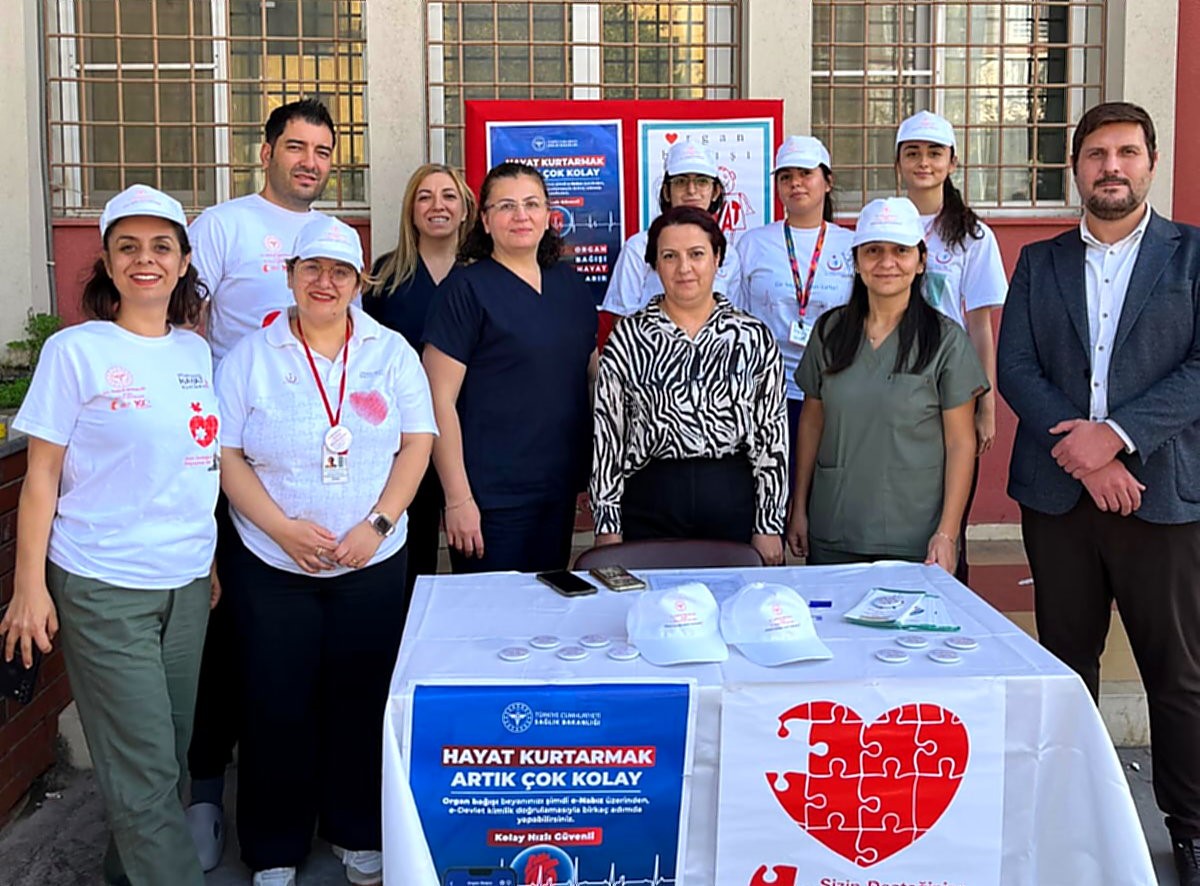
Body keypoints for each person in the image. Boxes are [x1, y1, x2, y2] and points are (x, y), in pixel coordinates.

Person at [996, 101, 1200, 885]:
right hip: (1060, 500)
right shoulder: (1041, 263)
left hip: (1163, 495)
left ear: (1150, 162)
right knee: (1067, 667)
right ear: (1075, 168)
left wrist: (1116, 437)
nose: (1110, 167)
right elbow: (1017, 366)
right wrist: (1085, 455)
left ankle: (1188, 830)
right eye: (1096, 155)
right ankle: (1071, 824)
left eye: (1126, 153)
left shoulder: (1190, 256)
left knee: (1177, 675)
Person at [0, 185, 218, 886]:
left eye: (161, 247)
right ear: (107, 261)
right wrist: (27, 588)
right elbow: (40, 479)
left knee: (166, 760)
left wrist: (206, 559)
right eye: (129, 247)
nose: (145, 260)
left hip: (184, 584)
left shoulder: (195, 352)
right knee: (146, 768)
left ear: (184, 262)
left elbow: (193, 464)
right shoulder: (76, 352)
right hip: (102, 584)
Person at [216, 216, 436, 886]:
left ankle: (356, 831)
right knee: (274, 702)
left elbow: (418, 442)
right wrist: (281, 528)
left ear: (358, 283)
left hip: (369, 558)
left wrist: (376, 522)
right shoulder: (250, 358)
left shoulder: (389, 351)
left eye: (340, 272)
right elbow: (223, 454)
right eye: (312, 269)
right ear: (290, 276)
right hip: (272, 562)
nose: (325, 282)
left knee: (360, 698)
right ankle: (275, 847)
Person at [184, 96, 336, 866]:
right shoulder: (224, 225)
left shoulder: (326, 238)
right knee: (220, 631)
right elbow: (185, 318)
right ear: (268, 150)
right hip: (228, 457)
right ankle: (206, 792)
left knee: (280, 643)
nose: (309, 161)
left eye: (322, 151)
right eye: (296, 146)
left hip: (310, 466)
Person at [786, 197, 986, 570]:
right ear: (857, 261)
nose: (887, 263)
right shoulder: (830, 332)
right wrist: (799, 506)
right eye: (873, 251)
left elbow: (960, 442)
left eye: (901, 251)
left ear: (921, 260)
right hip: (836, 528)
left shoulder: (945, 341)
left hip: (916, 537)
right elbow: (812, 422)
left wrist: (948, 532)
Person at [423, 162, 597, 574]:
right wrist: (458, 497)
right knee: (492, 621)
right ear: (484, 220)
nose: (521, 215)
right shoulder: (464, 290)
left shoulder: (569, 286)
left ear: (548, 215)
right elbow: (437, 401)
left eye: (532, 204)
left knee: (546, 615)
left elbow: (593, 378)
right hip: (490, 498)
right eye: (506, 206)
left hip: (557, 491)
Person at [591, 205, 788, 565]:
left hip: (731, 496)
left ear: (717, 259)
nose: (684, 268)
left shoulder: (752, 337)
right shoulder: (629, 338)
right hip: (651, 498)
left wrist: (769, 523)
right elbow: (609, 438)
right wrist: (607, 524)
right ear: (654, 264)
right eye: (670, 256)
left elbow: (771, 438)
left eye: (696, 254)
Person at [895, 110, 1008, 582]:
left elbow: (980, 325)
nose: (924, 163)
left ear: (953, 162)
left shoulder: (973, 236)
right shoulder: (885, 222)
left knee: (948, 511)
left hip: (950, 389)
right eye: (913, 153)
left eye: (934, 153)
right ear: (898, 162)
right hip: (894, 384)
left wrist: (987, 405)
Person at [363, 163, 476, 596]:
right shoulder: (386, 277)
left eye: (448, 196)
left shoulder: (483, 274)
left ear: (466, 209)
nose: (437, 206)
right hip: (405, 443)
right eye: (424, 197)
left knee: (475, 559)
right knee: (413, 569)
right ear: (411, 211)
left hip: (472, 437)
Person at [734, 135, 855, 473]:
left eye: (805, 173)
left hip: (832, 391)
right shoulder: (753, 243)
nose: (795, 183)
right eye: (786, 176)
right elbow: (736, 317)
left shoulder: (852, 245)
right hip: (766, 391)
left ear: (827, 182)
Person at [601, 140, 743, 317]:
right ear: (667, 192)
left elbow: (731, 318)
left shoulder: (729, 255)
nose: (691, 190)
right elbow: (621, 319)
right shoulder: (638, 247)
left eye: (702, 181)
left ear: (715, 192)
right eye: (681, 181)